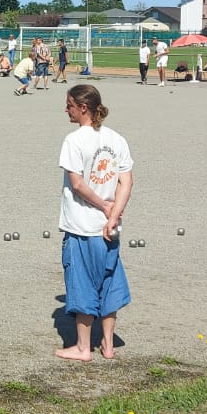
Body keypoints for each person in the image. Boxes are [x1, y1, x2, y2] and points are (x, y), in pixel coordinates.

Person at [54, 84, 133, 361]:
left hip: (83, 226)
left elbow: (77, 184)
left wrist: (101, 206)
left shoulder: (74, 140)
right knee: (108, 281)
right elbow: (126, 181)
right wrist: (113, 214)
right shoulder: (116, 139)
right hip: (109, 228)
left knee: (83, 282)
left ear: (83, 108)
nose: (66, 109)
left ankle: (83, 347)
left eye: (69, 105)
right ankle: (108, 345)